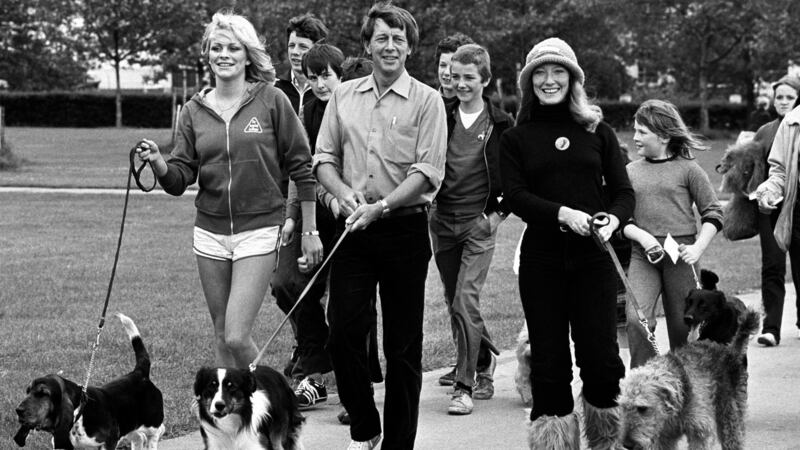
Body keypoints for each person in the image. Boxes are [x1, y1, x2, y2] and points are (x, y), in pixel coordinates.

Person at [134, 10, 323, 369]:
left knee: (237, 334)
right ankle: (233, 422)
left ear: (247, 54)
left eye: (233, 48)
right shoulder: (193, 110)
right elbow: (180, 178)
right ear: (207, 54)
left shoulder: (271, 100)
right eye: (216, 47)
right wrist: (160, 163)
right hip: (209, 232)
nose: (224, 54)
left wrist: (309, 228)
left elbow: (302, 166)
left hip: (259, 228)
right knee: (221, 335)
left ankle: (279, 405)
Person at [313, 3, 447, 448]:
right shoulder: (343, 95)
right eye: (382, 38)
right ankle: (366, 426)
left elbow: (428, 173)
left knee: (403, 349)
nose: (390, 46)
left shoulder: (428, 101)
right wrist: (341, 194)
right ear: (367, 45)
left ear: (409, 48)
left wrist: (383, 206)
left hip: (404, 230)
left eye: (399, 39)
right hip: (354, 229)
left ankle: (398, 443)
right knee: (344, 333)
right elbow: (323, 160)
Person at [499, 37, 634, 448]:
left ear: (573, 78)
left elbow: (624, 192)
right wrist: (562, 213)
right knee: (549, 363)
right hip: (542, 261)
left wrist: (613, 218)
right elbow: (516, 196)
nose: (549, 79)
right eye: (539, 72)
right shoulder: (516, 137)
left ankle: (607, 439)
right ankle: (554, 442)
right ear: (528, 81)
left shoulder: (599, 131)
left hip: (593, 260)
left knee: (601, 360)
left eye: (558, 71)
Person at [429, 43, 511, 415]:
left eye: (468, 78)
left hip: (478, 225)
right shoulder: (439, 116)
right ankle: (484, 360)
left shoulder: (501, 123)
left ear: (485, 80)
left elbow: (516, 177)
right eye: (455, 76)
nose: (459, 83)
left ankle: (465, 385)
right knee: (454, 301)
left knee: (465, 300)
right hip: (442, 223)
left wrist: (496, 217)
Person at [622, 99, 723, 369]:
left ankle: (687, 388)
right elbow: (622, 219)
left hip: (681, 255)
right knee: (636, 320)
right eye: (635, 130)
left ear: (664, 135)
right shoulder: (630, 172)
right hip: (644, 255)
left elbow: (713, 212)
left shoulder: (688, 169)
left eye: (642, 132)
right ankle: (646, 384)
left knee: (683, 326)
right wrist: (643, 238)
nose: (635, 137)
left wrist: (698, 248)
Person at [272, 43, 346, 410]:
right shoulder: (309, 110)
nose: (318, 84)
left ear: (341, 74)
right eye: (312, 77)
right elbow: (298, 169)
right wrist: (291, 219)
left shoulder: (352, 108)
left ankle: (336, 381)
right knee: (286, 283)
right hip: (311, 210)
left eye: (325, 76)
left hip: (347, 213)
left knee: (348, 301)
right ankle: (316, 358)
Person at [754, 74, 800, 346]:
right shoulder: (788, 125)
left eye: (788, 96)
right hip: (781, 208)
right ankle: (771, 327)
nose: (783, 102)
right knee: (772, 266)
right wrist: (766, 191)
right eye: (779, 96)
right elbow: (778, 171)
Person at [274, 13, 328, 117]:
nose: (295, 52)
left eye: (302, 47)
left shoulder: (327, 91)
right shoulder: (275, 88)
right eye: (291, 45)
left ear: (317, 49)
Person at [434, 33, 475, 107]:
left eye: (453, 67)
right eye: (443, 65)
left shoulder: (475, 109)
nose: (446, 72)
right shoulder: (426, 102)